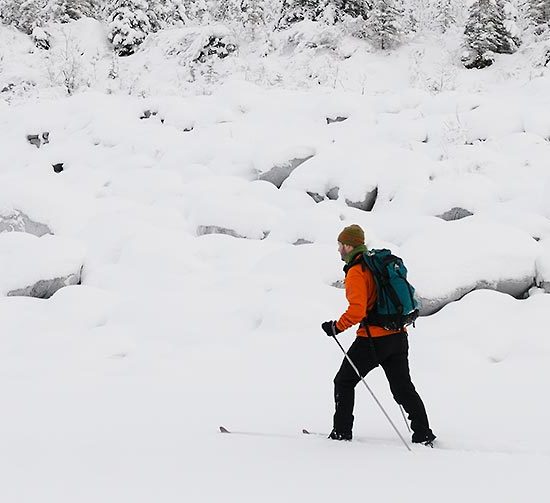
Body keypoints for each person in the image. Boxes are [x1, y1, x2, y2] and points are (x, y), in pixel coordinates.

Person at [321, 224, 436, 445]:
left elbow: (357, 311)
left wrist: (336, 327)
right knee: (403, 388)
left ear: (348, 245)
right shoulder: (376, 265)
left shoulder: (357, 271)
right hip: (398, 336)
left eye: (340, 245)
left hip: (373, 340)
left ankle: (341, 433)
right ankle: (423, 433)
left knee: (343, 381)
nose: (338, 250)